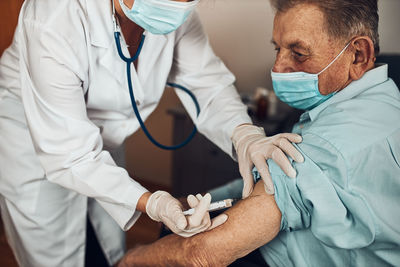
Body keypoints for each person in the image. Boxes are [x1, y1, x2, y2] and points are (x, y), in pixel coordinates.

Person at [0, 0, 304, 266]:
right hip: (34, 142)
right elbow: (70, 154)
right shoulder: (54, 16)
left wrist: (245, 135)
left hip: (105, 139)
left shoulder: (177, 16)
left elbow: (208, 86)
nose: (176, 5)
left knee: (107, 242)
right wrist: (153, 203)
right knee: (53, 252)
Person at [117, 0, 400, 266]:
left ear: (359, 54)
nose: (278, 67)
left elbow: (202, 254)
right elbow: (269, 187)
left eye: (298, 53)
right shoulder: (384, 103)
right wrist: (197, 199)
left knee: (169, 244)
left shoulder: (328, 146)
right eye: (278, 49)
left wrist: (131, 258)